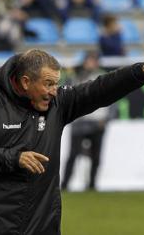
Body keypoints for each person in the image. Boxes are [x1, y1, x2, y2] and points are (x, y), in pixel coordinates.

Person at [0, 48, 144, 235]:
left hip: (44, 226)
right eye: (48, 84)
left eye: (56, 84)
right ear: (26, 81)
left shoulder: (57, 103)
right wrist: (14, 158)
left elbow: (97, 89)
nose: (53, 91)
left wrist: (139, 72)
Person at [61, 51, 111, 191]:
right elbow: (64, 93)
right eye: (90, 60)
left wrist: (107, 120)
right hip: (79, 122)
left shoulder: (103, 77)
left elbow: (113, 101)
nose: (92, 63)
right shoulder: (75, 76)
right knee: (73, 155)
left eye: (94, 60)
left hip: (97, 122)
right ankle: (65, 185)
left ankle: (92, 185)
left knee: (96, 157)